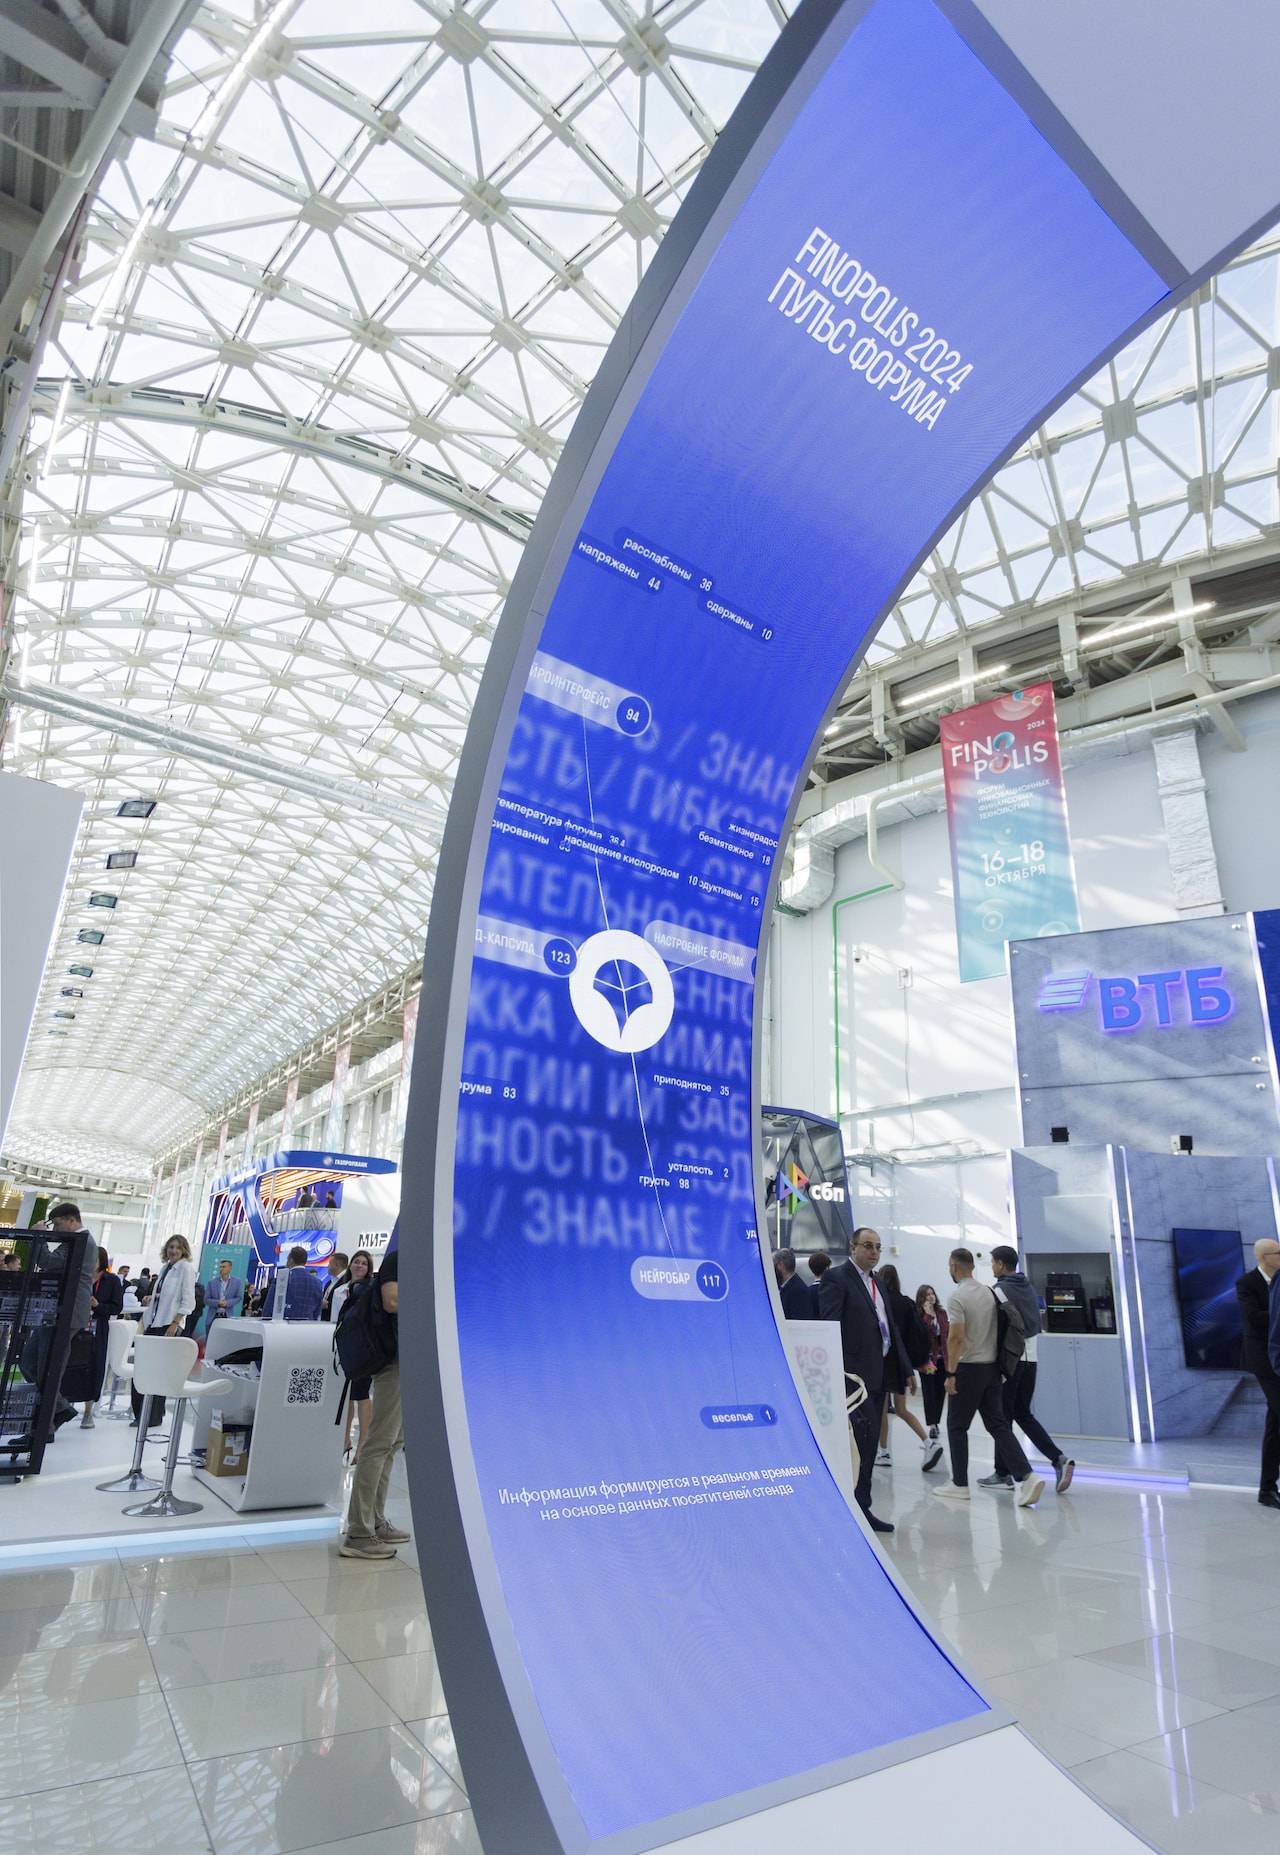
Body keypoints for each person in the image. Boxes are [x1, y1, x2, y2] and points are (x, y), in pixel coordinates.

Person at [934, 1248, 1044, 1508]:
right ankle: (1028, 1476)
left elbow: (956, 1337)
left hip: (968, 1369)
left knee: (957, 1426)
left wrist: (950, 1372)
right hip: (992, 1370)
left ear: (954, 1266)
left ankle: (959, 1484)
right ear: (972, 1266)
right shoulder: (989, 1292)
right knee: (998, 1425)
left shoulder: (957, 1297)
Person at [818, 1227, 910, 1534]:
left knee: (870, 1445)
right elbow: (830, 1325)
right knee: (858, 1443)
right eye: (868, 1246)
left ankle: (862, 1506)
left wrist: (905, 1368)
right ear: (853, 1247)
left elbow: (889, 1327)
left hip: (879, 1374)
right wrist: (839, 1371)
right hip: (852, 1379)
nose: (874, 1252)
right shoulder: (836, 1279)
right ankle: (850, 1508)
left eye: (878, 1247)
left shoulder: (877, 1282)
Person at [982, 1246, 1074, 1495]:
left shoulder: (999, 1290)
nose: (992, 1267)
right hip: (1031, 1359)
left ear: (1001, 1264)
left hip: (1011, 1361)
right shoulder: (1027, 1286)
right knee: (1021, 1413)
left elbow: (998, 1326)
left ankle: (1005, 1473)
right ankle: (1057, 1459)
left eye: (993, 1262)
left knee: (1001, 1417)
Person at [342, 1244, 409, 1559]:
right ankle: (358, 1532)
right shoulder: (402, 1258)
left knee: (393, 1443)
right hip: (392, 1360)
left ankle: (376, 1521)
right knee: (379, 1443)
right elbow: (392, 1301)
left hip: (407, 1359)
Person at [874, 1263, 942, 1472]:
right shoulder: (907, 1303)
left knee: (882, 1410)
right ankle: (928, 1442)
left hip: (883, 1361)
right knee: (901, 1409)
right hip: (901, 1363)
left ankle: (884, 1452)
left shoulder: (880, 1303)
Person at [131, 1235, 197, 1427]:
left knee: (157, 1372)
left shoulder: (185, 1268)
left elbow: (188, 1301)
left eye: (177, 1248)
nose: (173, 1251)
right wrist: (152, 1299)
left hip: (168, 1325)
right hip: (154, 1323)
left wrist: (175, 1323)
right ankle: (147, 1414)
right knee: (148, 1370)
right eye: (171, 1247)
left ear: (183, 1250)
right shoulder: (166, 1268)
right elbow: (167, 1296)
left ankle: (151, 1417)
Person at [1238, 1236, 1280, 1510]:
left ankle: (1267, 1488)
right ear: (1264, 1257)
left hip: (1278, 1356)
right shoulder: (1247, 1283)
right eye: (1278, 1253)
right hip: (1264, 1359)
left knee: (1275, 1423)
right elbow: (1253, 1318)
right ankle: (1267, 1488)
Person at [334, 1250, 376, 1460]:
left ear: (369, 1269)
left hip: (364, 1349)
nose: (360, 1266)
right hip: (344, 1349)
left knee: (361, 1395)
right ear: (350, 1265)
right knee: (347, 1396)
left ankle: (362, 1445)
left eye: (364, 1263)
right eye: (356, 1262)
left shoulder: (371, 1290)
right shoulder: (339, 1291)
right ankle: (345, 1440)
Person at [82, 1246, 123, 1426]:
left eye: (95, 1258)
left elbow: (116, 1307)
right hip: (77, 1326)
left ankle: (88, 1411)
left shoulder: (111, 1280)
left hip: (98, 1329)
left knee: (95, 1367)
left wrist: (98, 1305)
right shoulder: (81, 1277)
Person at [915, 1284, 949, 1440]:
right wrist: (928, 1316)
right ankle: (932, 1425)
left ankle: (936, 1420)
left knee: (940, 1392)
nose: (931, 1297)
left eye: (932, 1293)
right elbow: (923, 1333)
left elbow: (945, 1333)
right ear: (922, 1298)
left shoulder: (941, 1313)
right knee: (929, 1393)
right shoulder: (920, 1315)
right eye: (927, 1294)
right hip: (927, 1361)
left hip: (942, 1359)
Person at [262, 1246, 325, 1320]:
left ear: (291, 1260)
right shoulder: (318, 1283)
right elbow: (317, 1311)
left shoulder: (282, 1279)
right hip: (307, 1324)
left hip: (284, 1324)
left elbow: (268, 1308)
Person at [773, 1247, 814, 1319]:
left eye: (774, 1265)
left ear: (781, 1265)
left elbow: (799, 1319)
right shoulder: (784, 1286)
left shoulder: (798, 1290)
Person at [204, 1257, 244, 1331]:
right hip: (213, 1317)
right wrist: (218, 1302)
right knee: (211, 1337)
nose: (221, 1269)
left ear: (230, 1268)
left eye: (224, 1267)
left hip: (227, 1316)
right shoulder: (212, 1283)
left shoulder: (236, 1282)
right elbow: (206, 1300)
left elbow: (239, 1297)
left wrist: (227, 1303)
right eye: (220, 1267)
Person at [320, 1252, 350, 1322]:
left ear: (336, 1265)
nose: (328, 1266)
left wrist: (327, 1305)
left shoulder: (347, 1281)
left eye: (330, 1263)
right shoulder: (330, 1282)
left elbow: (346, 1304)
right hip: (326, 1322)